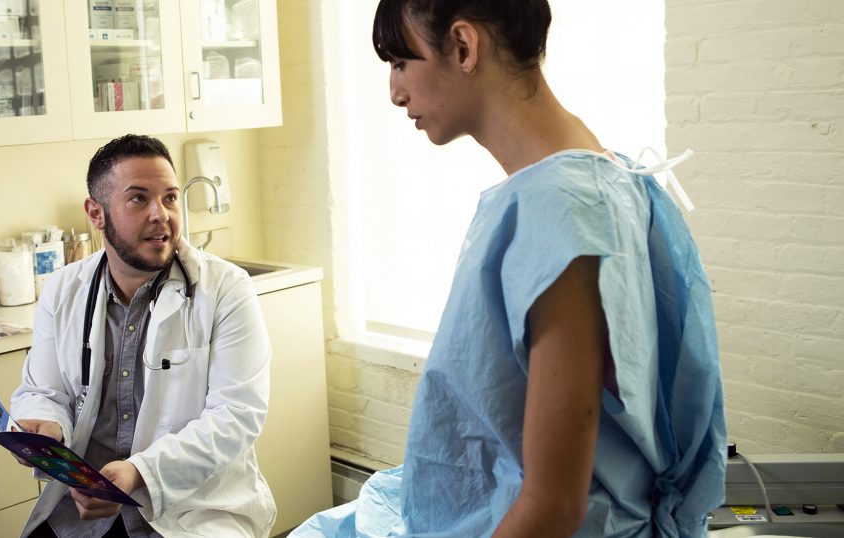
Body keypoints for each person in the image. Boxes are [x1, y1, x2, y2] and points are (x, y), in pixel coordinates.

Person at [292, 1, 726, 537]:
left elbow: (553, 508)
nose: (394, 92)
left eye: (401, 62)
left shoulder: (560, 211)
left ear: (463, 47)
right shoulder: (602, 174)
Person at [11, 134, 276, 537]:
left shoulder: (226, 289)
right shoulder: (63, 290)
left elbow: (236, 416)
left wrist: (140, 473)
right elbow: (43, 390)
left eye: (170, 198)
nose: (161, 214)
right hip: (83, 511)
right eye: (139, 199)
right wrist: (47, 426)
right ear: (96, 213)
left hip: (191, 510)